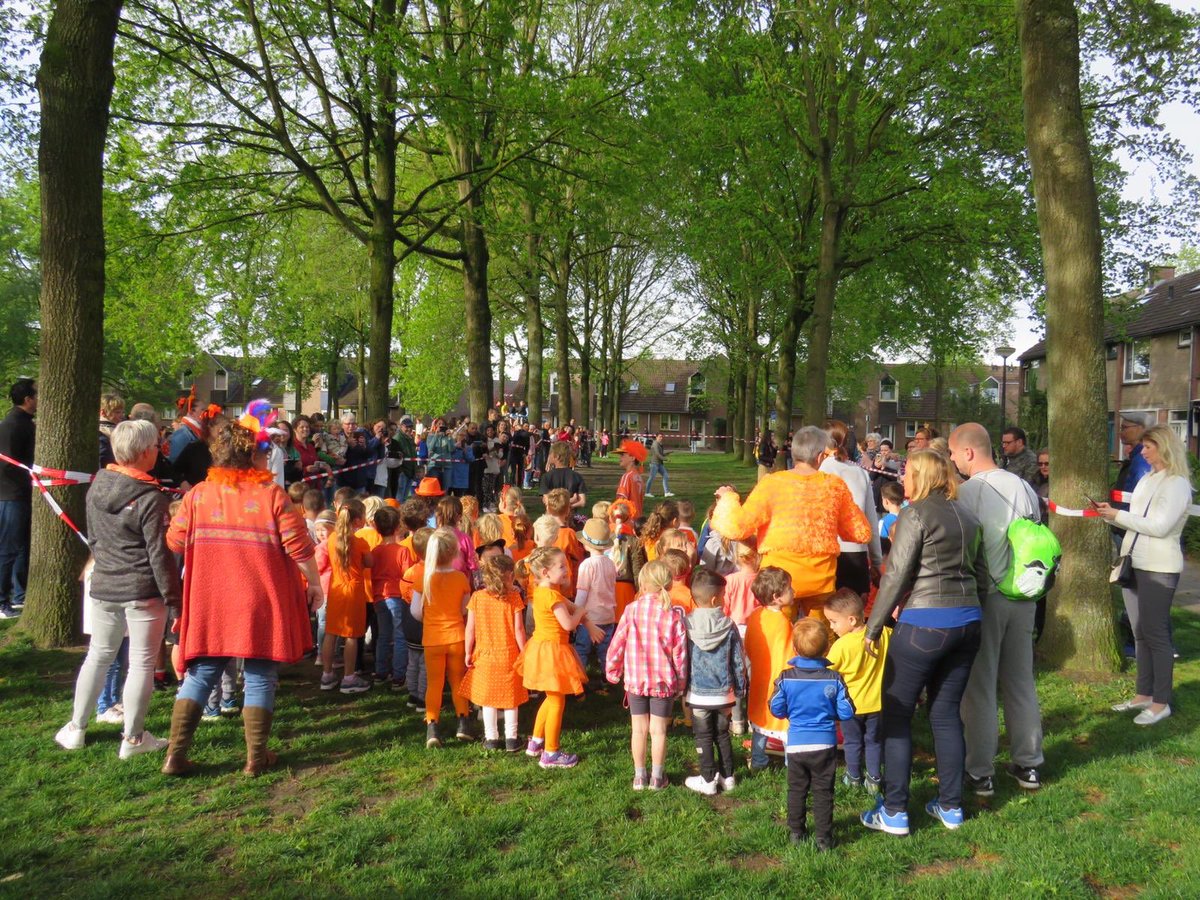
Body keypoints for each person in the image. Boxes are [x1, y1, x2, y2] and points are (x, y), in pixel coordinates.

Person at [161, 403, 323, 776]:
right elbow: (301, 548)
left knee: (202, 672)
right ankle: (255, 757)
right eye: (265, 452)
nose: (268, 458)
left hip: (211, 599)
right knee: (260, 674)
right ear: (253, 456)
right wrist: (315, 584)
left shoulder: (198, 494)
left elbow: (174, 540)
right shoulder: (272, 496)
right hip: (260, 597)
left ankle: (175, 755)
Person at [860, 449, 987, 836]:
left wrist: (872, 627)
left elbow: (896, 574)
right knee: (946, 714)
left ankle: (895, 810)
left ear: (921, 476)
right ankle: (951, 806)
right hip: (968, 621)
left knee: (897, 714)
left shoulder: (914, 514)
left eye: (908, 473)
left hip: (926, 623)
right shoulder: (968, 516)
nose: (903, 479)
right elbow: (981, 575)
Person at [54, 420, 180, 758]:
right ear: (144, 452)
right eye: (155, 446)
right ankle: (134, 739)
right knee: (140, 663)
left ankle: (76, 728)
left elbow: (94, 539)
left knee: (98, 655)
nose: (159, 451)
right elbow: (159, 555)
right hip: (142, 591)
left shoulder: (97, 486)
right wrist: (174, 600)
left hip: (105, 584)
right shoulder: (151, 498)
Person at [949, 422, 1045, 796]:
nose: (953, 460)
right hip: (1024, 593)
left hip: (987, 595)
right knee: (1020, 681)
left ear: (969, 452)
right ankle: (1029, 763)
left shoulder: (969, 491)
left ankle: (980, 771)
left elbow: (964, 546)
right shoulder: (1023, 486)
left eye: (954, 453)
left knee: (980, 685)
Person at [713, 426, 872, 621]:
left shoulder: (772, 483)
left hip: (778, 582)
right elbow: (861, 532)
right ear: (820, 456)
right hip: (820, 581)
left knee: (776, 630)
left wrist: (727, 498)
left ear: (793, 452)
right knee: (818, 634)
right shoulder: (834, 486)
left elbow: (736, 527)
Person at [1095, 425, 1192, 726]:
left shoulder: (1177, 484)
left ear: (1164, 447)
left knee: (1156, 634)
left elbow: (1160, 527)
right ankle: (1143, 694)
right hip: (1134, 563)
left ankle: (1161, 702)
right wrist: (1112, 514)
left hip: (1159, 567)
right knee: (1139, 632)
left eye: (1149, 447)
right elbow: (1138, 520)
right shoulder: (1148, 478)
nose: (1143, 452)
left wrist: (1118, 515)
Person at [770, 618, 854, 850]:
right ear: (827, 648)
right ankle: (824, 838)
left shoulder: (786, 678)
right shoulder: (834, 678)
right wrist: (831, 711)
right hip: (825, 744)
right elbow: (847, 711)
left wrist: (790, 711)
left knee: (797, 790)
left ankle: (797, 833)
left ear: (794, 648)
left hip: (797, 744)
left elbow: (776, 708)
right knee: (823, 791)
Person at [606, 560, 688, 789]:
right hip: (663, 683)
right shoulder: (673, 615)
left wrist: (612, 670)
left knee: (639, 730)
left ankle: (640, 776)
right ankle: (657, 777)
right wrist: (681, 683)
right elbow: (680, 654)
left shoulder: (631, 610)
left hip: (635, 681)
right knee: (658, 731)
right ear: (668, 585)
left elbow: (617, 643)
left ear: (642, 585)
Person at [513, 547, 596, 768]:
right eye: (561, 566)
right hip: (553, 652)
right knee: (557, 700)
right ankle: (551, 752)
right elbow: (568, 624)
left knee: (550, 698)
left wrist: (582, 615)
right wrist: (581, 612)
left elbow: (567, 605)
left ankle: (536, 742)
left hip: (542, 648)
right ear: (546, 572)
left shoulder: (540, 590)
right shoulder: (552, 595)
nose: (567, 570)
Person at [683, 568, 747, 796]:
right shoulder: (729, 625)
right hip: (723, 693)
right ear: (714, 599)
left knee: (703, 736)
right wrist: (739, 689)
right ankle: (728, 777)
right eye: (723, 596)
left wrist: (682, 686)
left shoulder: (686, 624)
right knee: (722, 734)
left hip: (698, 693)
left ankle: (708, 779)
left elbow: (682, 658)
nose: (725, 599)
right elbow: (738, 660)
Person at [461, 554, 528, 751]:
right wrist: (524, 652)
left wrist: (467, 652)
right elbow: (519, 630)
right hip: (508, 656)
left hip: (484, 656)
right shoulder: (514, 598)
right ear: (510, 576)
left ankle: (491, 739)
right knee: (510, 699)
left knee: (487, 699)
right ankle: (512, 739)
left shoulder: (477, 598)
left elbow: (470, 629)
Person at [413, 527, 474, 746]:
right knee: (458, 681)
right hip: (457, 637)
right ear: (455, 552)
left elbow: (415, 611)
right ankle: (463, 722)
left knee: (434, 684)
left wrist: (429, 620)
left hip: (432, 640)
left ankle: (432, 726)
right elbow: (465, 609)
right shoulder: (460, 578)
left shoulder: (423, 579)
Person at [824, 588, 889, 791]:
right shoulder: (883, 634)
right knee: (874, 741)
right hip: (877, 704)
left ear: (851, 620)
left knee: (852, 742)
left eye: (834, 621)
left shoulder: (841, 646)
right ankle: (874, 779)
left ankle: (853, 776)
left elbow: (828, 672)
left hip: (850, 706)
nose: (831, 626)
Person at [821, 421, 883, 596]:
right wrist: (876, 561)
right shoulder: (860, 472)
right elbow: (871, 520)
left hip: (828, 553)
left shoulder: (822, 470)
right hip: (857, 553)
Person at [744, 567, 796, 771]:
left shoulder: (756, 615)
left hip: (759, 676)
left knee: (760, 720)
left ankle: (758, 761)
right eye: (789, 588)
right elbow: (789, 654)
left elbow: (748, 645)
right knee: (785, 725)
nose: (794, 591)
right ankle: (792, 765)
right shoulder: (782, 622)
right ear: (777, 597)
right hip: (779, 680)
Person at [320, 498, 374, 695]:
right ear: (358, 520)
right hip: (353, 592)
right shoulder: (360, 542)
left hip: (336, 590)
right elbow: (370, 563)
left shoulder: (332, 539)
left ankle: (327, 674)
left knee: (331, 633)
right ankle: (349, 678)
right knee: (351, 636)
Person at [0, 378, 36, 618]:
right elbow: (9, 464)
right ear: (27, 399)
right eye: (37, 395)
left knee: (22, 546)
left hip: (19, 494)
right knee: (8, 548)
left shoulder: (23, 422)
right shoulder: (13, 425)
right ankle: (2, 601)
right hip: (11, 495)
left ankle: (20, 595)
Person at [574, 518, 618, 680]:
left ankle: (579, 679)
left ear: (586, 545)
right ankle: (610, 678)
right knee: (605, 651)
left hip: (589, 619)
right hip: (608, 615)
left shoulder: (587, 565)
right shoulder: (610, 563)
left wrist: (575, 616)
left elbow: (582, 595)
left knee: (582, 649)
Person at [615, 439, 647, 521]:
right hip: (638, 520)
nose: (620, 458)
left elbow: (620, 501)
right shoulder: (639, 477)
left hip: (628, 520)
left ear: (632, 458)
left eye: (622, 455)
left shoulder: (627, 476)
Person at [97, 393, 125, 468]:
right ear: (103, 412)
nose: (121, 415)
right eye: (117, 412)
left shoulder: (119, 429)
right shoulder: (99, 433)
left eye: (122, 412)